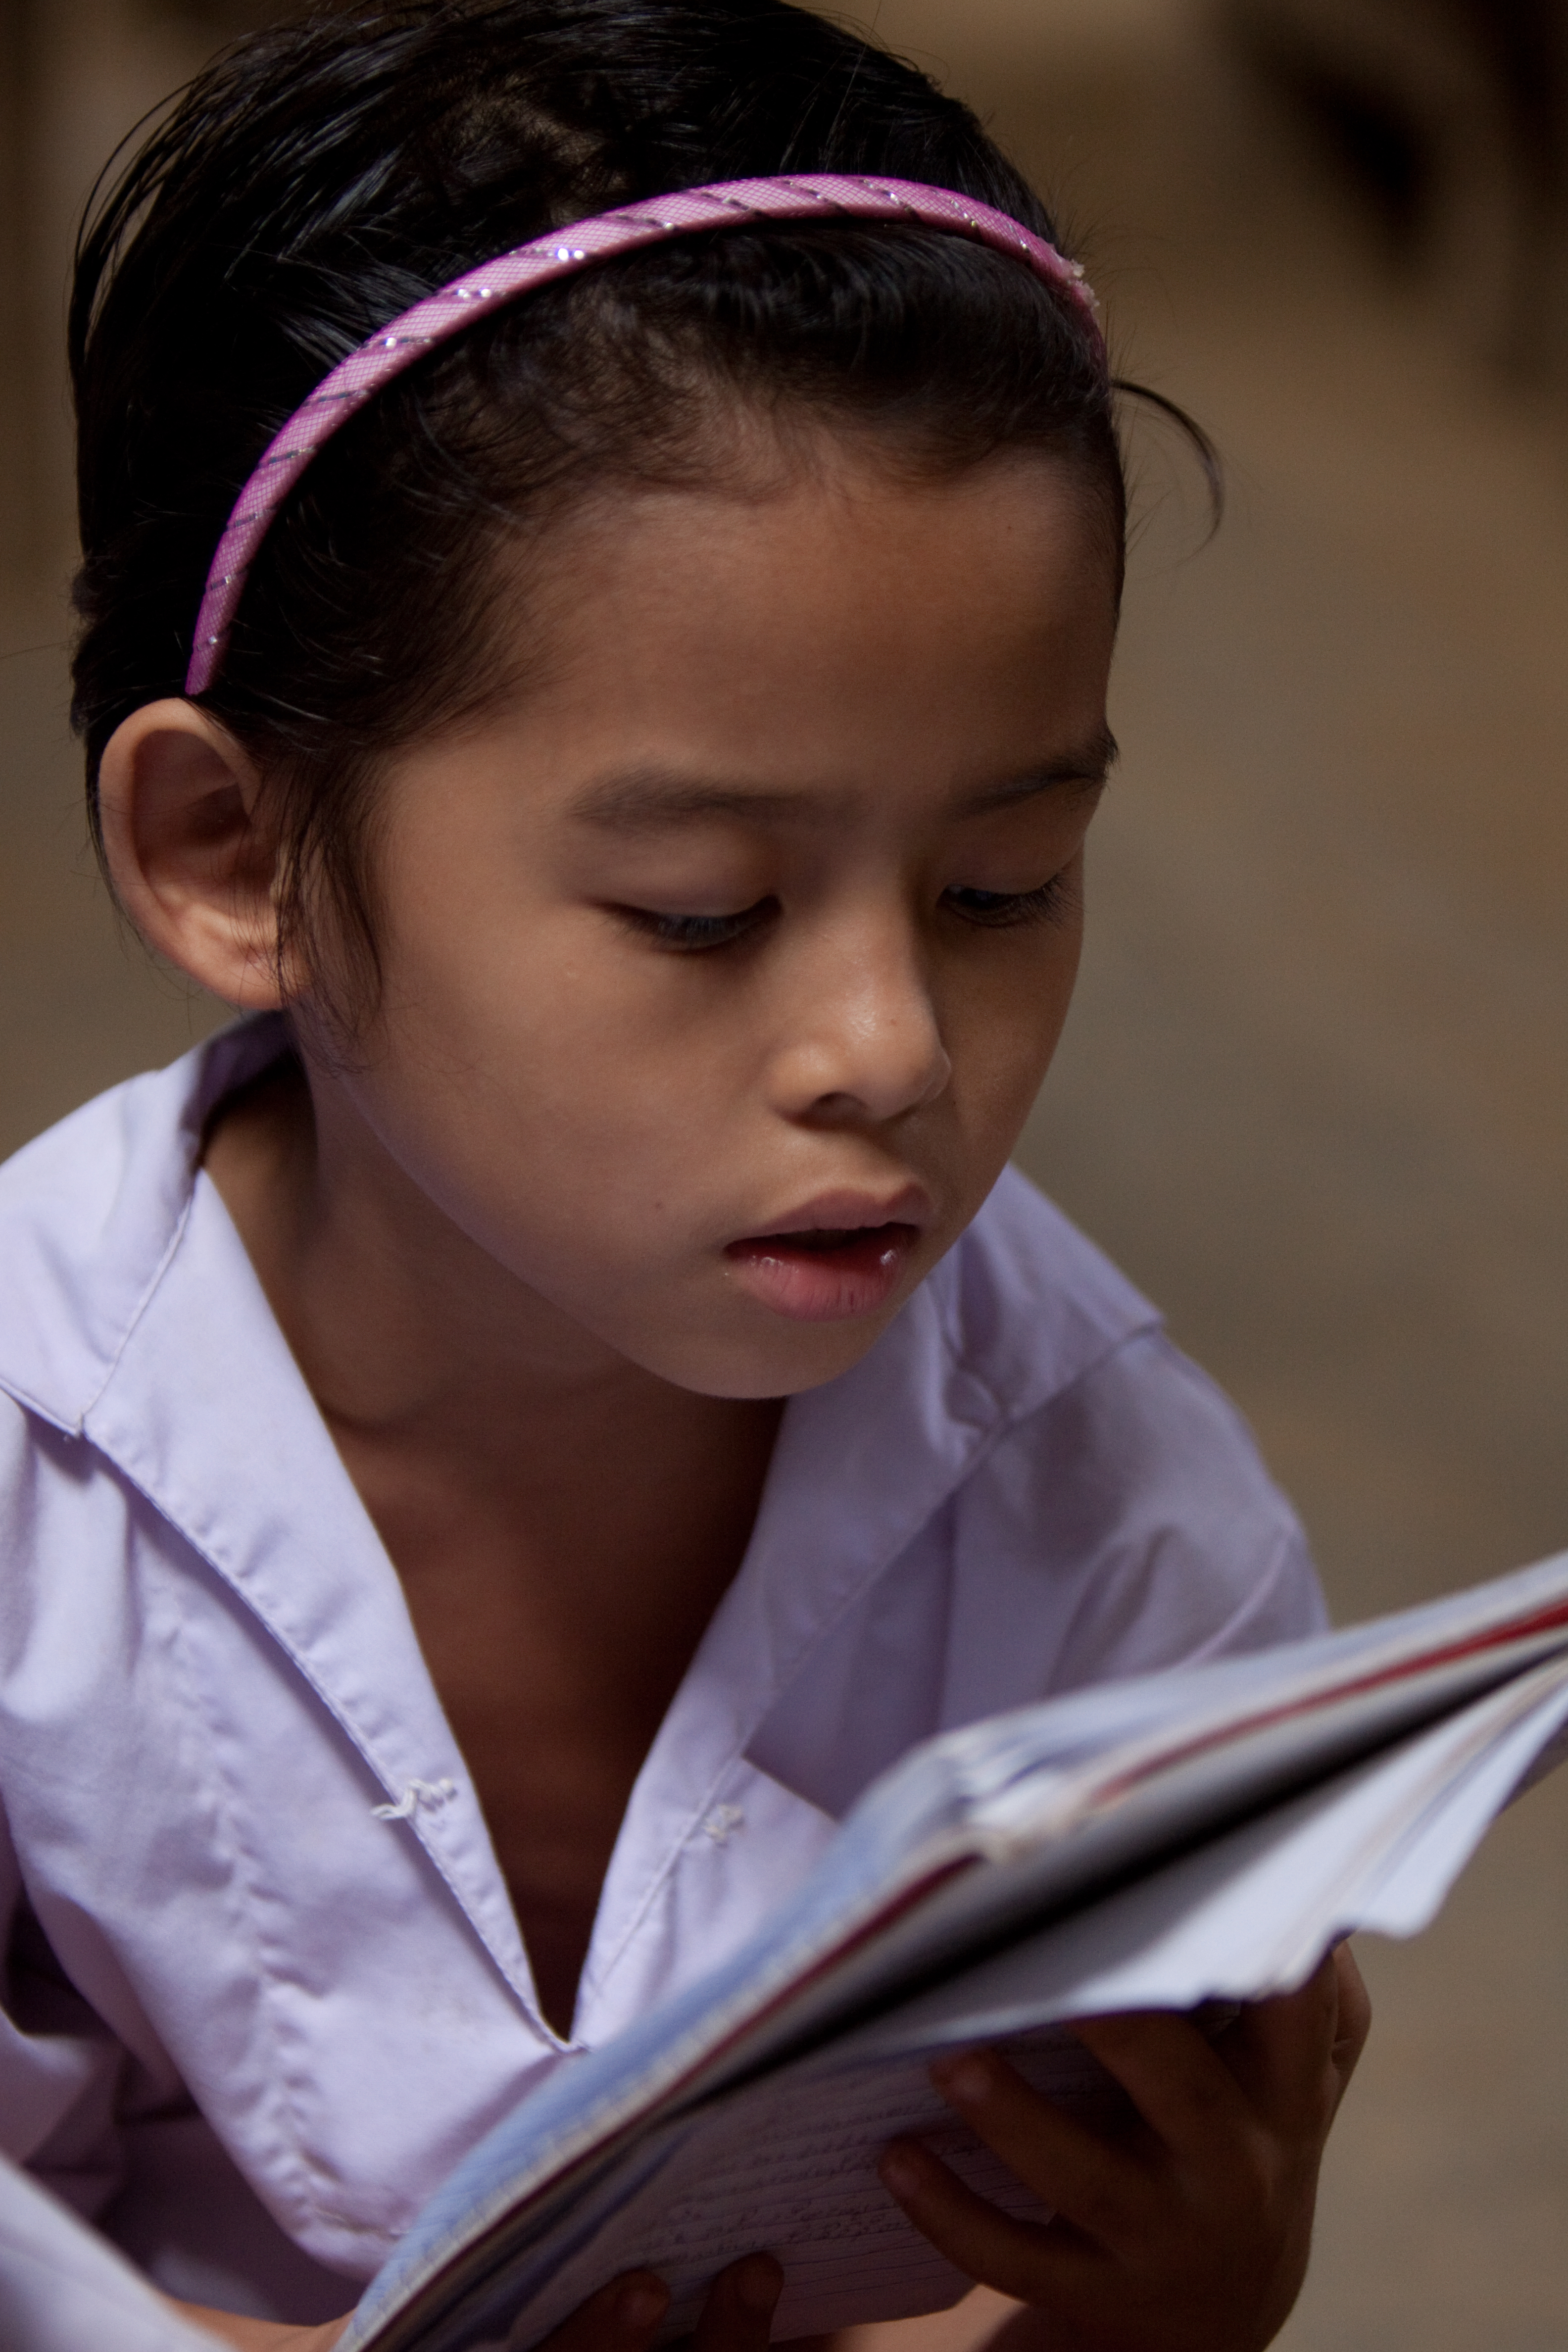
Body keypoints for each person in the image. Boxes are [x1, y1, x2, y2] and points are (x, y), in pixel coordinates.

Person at [0, 1, 1370, 2347]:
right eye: (706, 914)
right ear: (236, 854)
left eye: (1007, 884)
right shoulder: (35, 1474)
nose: (891, 1052)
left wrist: (1182, 2298)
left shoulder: (1125, 1537)